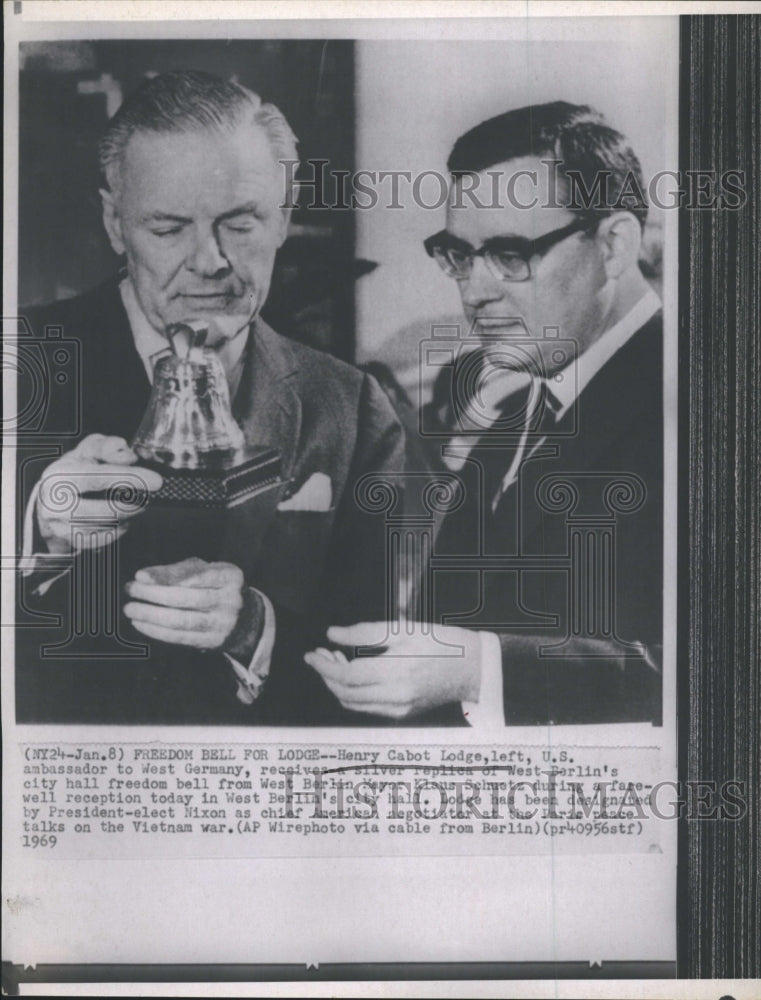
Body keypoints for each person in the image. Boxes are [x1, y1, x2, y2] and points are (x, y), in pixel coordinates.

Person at [16, 69, 404, 725]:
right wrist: (34, 533)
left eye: (240, 223)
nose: (210, 262)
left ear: (284, 215)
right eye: (167, 228)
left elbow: (387, 658)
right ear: (115, 223)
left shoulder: (353, 406)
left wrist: (256, 627)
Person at [306, 101, 663, 727]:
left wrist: (479, 671)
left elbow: (723, 672)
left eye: (510, 255)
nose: (475, 292)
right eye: (460, 256)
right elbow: (450, 629)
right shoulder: (514, 413)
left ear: (613, 245)